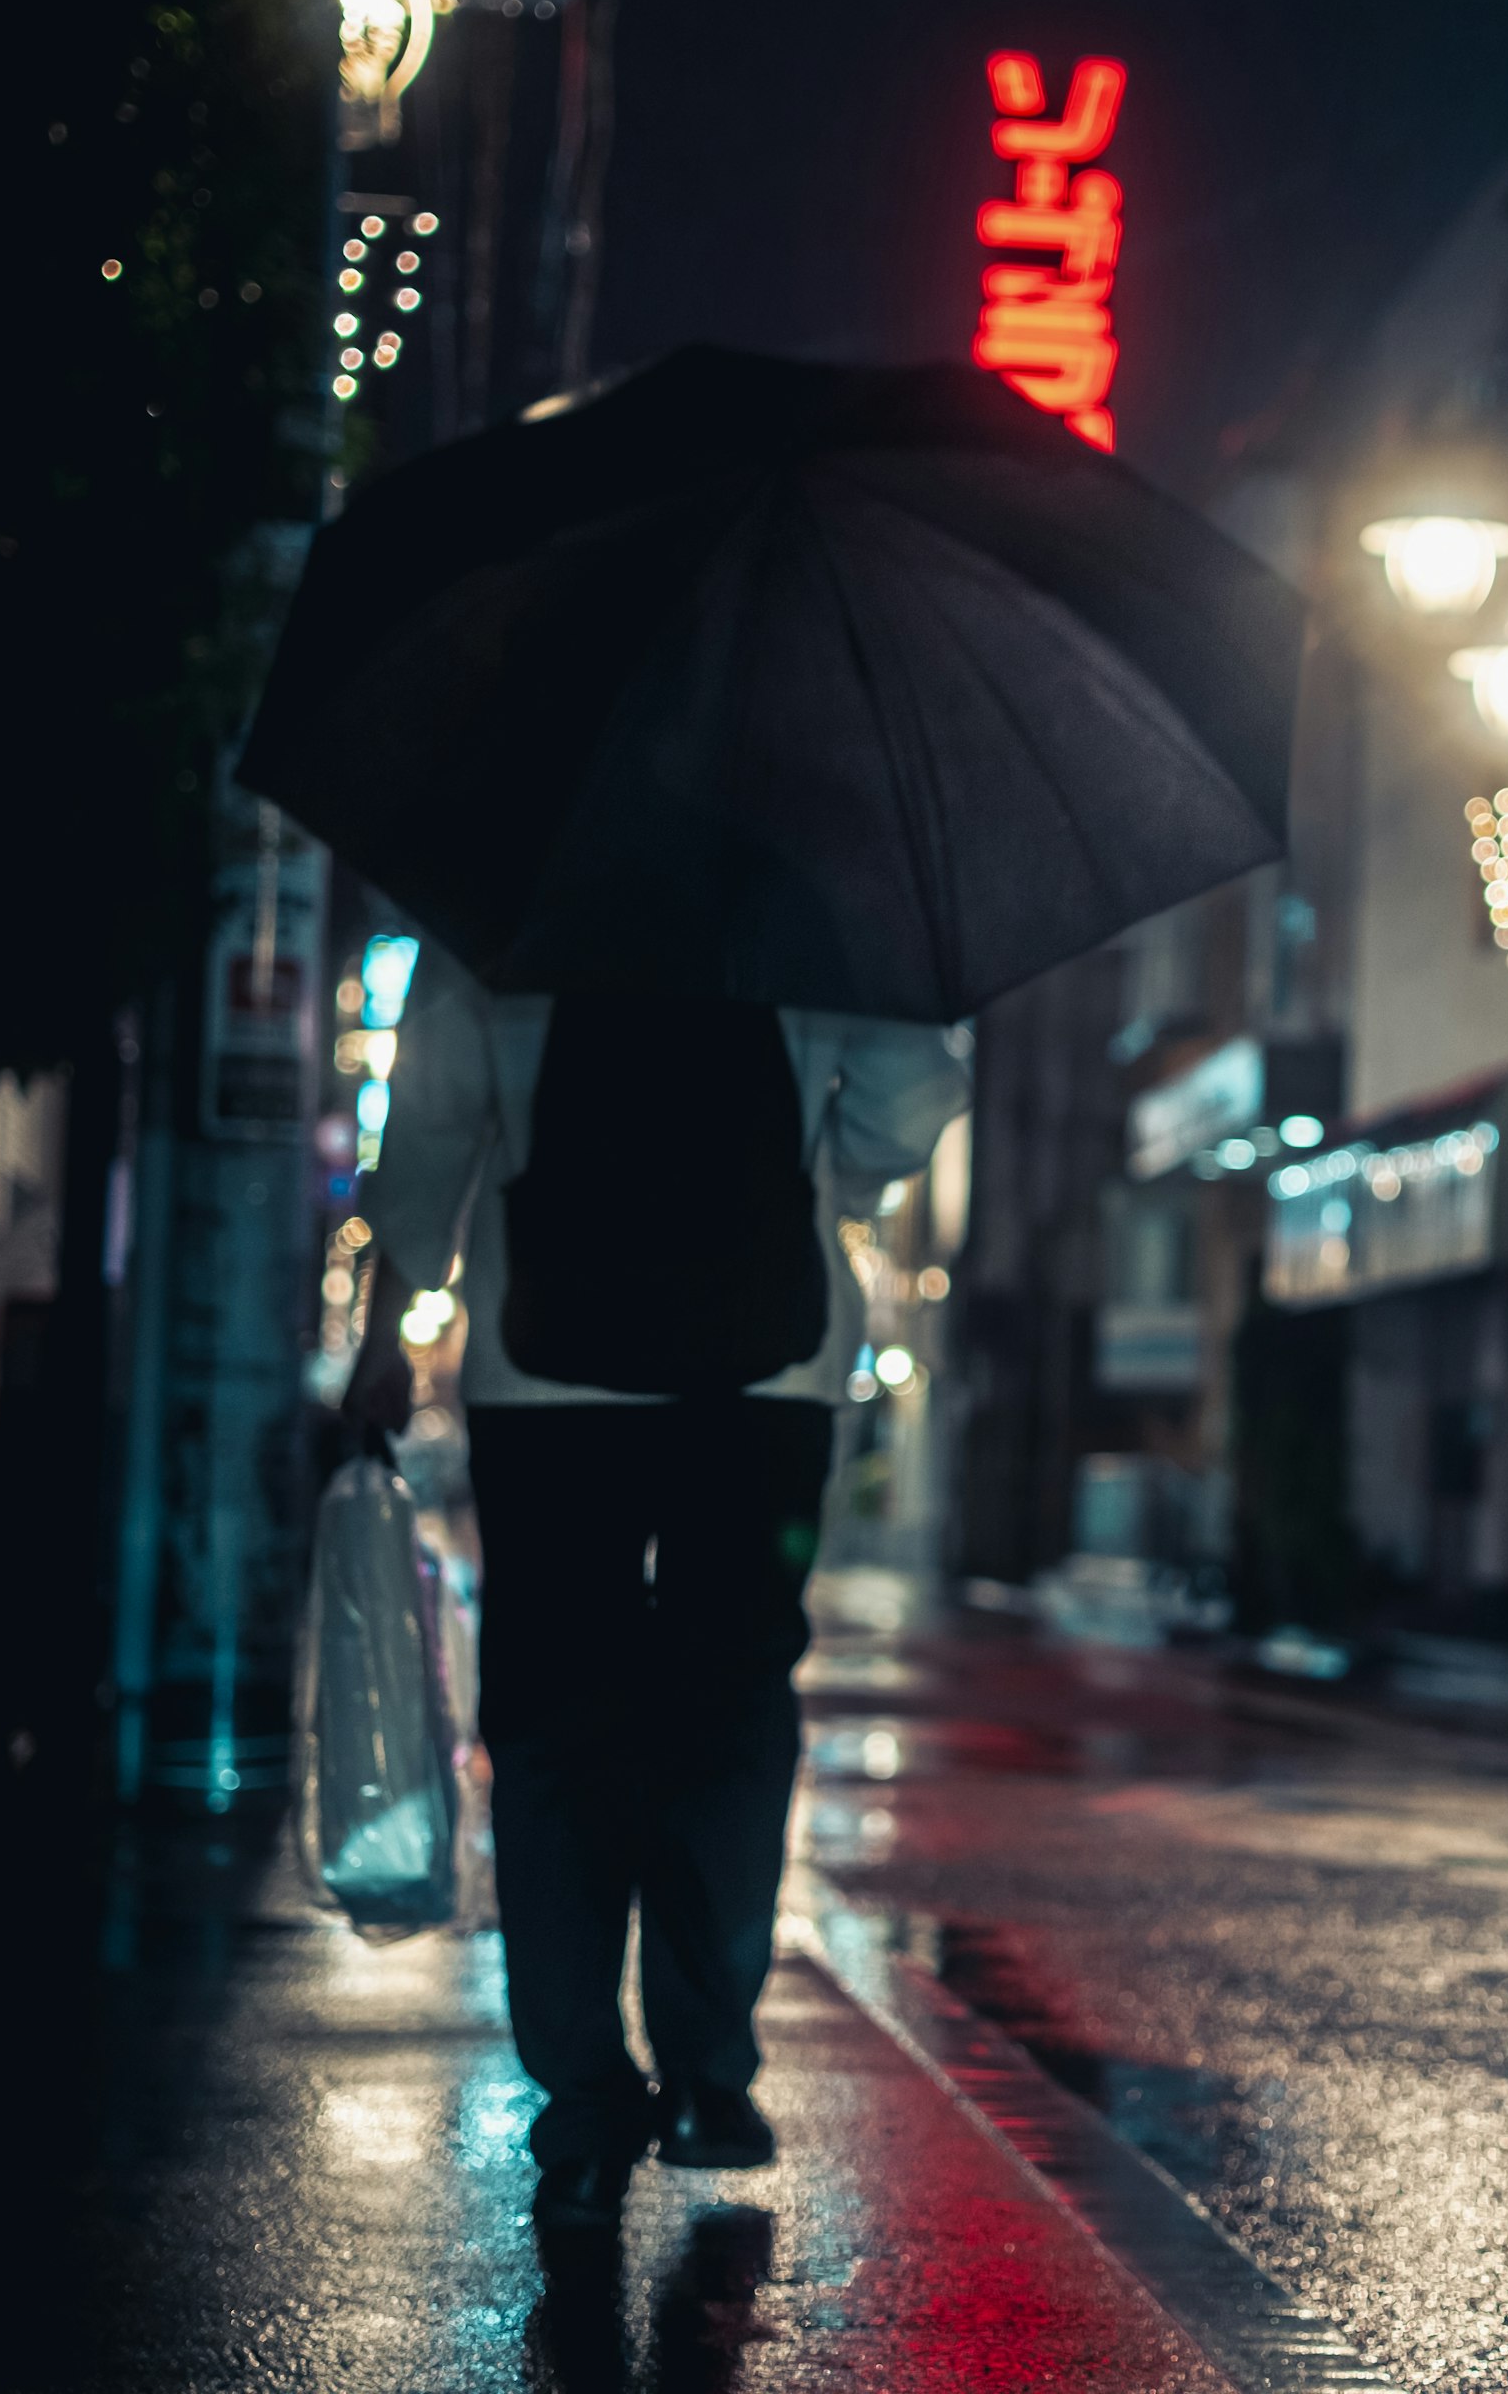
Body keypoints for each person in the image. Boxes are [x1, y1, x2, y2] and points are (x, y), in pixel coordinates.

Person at [354, 937, 968, 2230]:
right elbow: (912, 1104)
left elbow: (425, 1139)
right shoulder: (808, 887)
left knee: (551, 1726)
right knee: (731, 1713)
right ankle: (705, 2076)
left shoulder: (502, 890)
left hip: (546, 1376)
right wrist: (817, 1182)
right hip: (763, 1376)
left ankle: (581, 2096)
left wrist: (384, 1327)